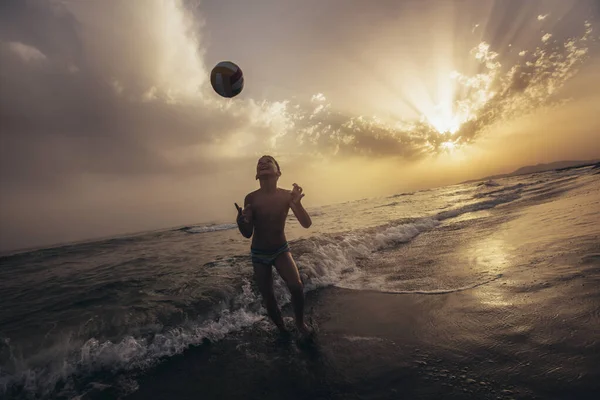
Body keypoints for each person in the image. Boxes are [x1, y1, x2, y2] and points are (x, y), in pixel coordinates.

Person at [235, 155, 313, 338]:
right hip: (259, 254)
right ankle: (282, 330)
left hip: (280, 250)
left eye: (268, 162)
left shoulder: (286, 196)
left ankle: (300, 323)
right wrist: (241, 222)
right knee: (268, 296)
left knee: (296, 285)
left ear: (278, 173)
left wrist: (297, 204)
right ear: (256, 175)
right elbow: (247, 233)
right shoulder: (251, 198)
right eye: (259, 163)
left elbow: (306, 224)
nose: (262, 163)